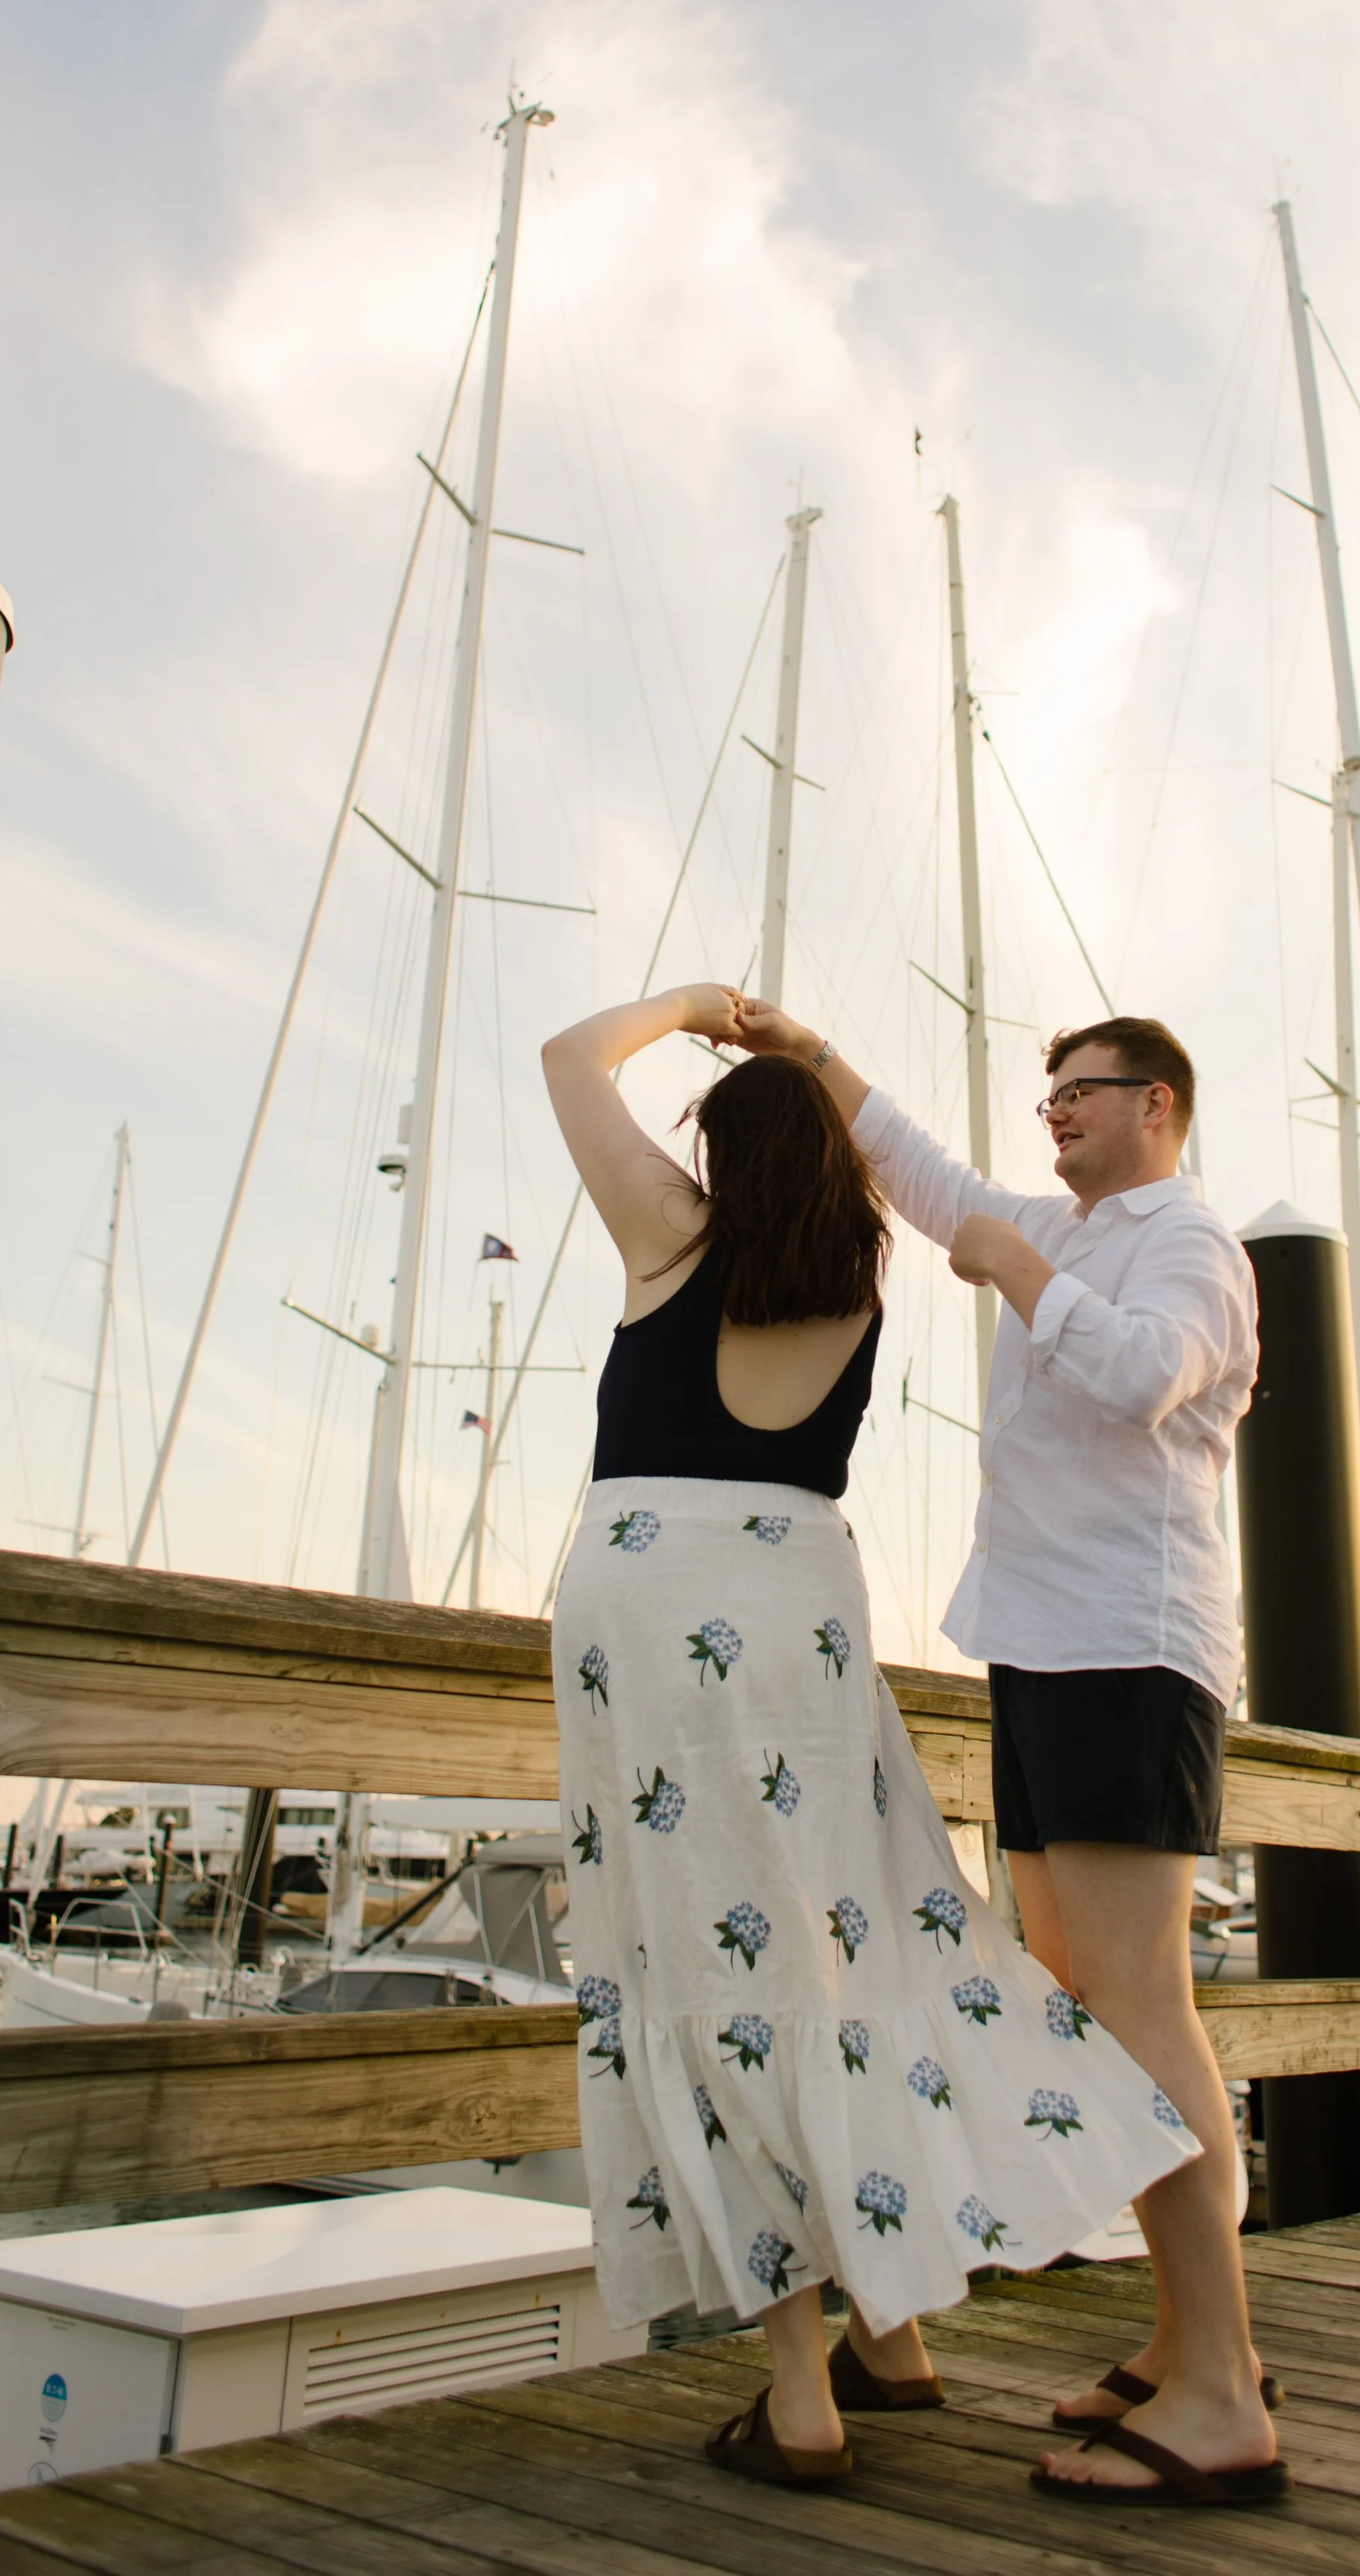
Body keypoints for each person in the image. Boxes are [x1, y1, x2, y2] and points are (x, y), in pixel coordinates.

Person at [541, 983, 1203, 2490]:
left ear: (714, 1153)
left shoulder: (668, 1236)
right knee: (839, 1939)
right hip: (804, 1600)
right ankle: (890, 2332)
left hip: (656, 1596)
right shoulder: (858, 1275)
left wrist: (698, 1011)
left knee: (705, 1959)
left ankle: (795, 2396)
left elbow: (566, 1058)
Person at [733, 998, 1284, 2508]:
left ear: (1158, 1105)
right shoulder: (1058, 1221)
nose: (1053, 1112)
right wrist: (801, 1054)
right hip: (1045, 1650)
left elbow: (1144, 1378)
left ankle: (1222, 2389)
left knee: (1137, 2007)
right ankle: (1182, 2347)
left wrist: (1018, 1268)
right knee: (1095, 2012)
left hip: (1129, 1649)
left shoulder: (1188, 1244)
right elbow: (908, 1165)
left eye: (1082, 1092)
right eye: (1046, 1095)